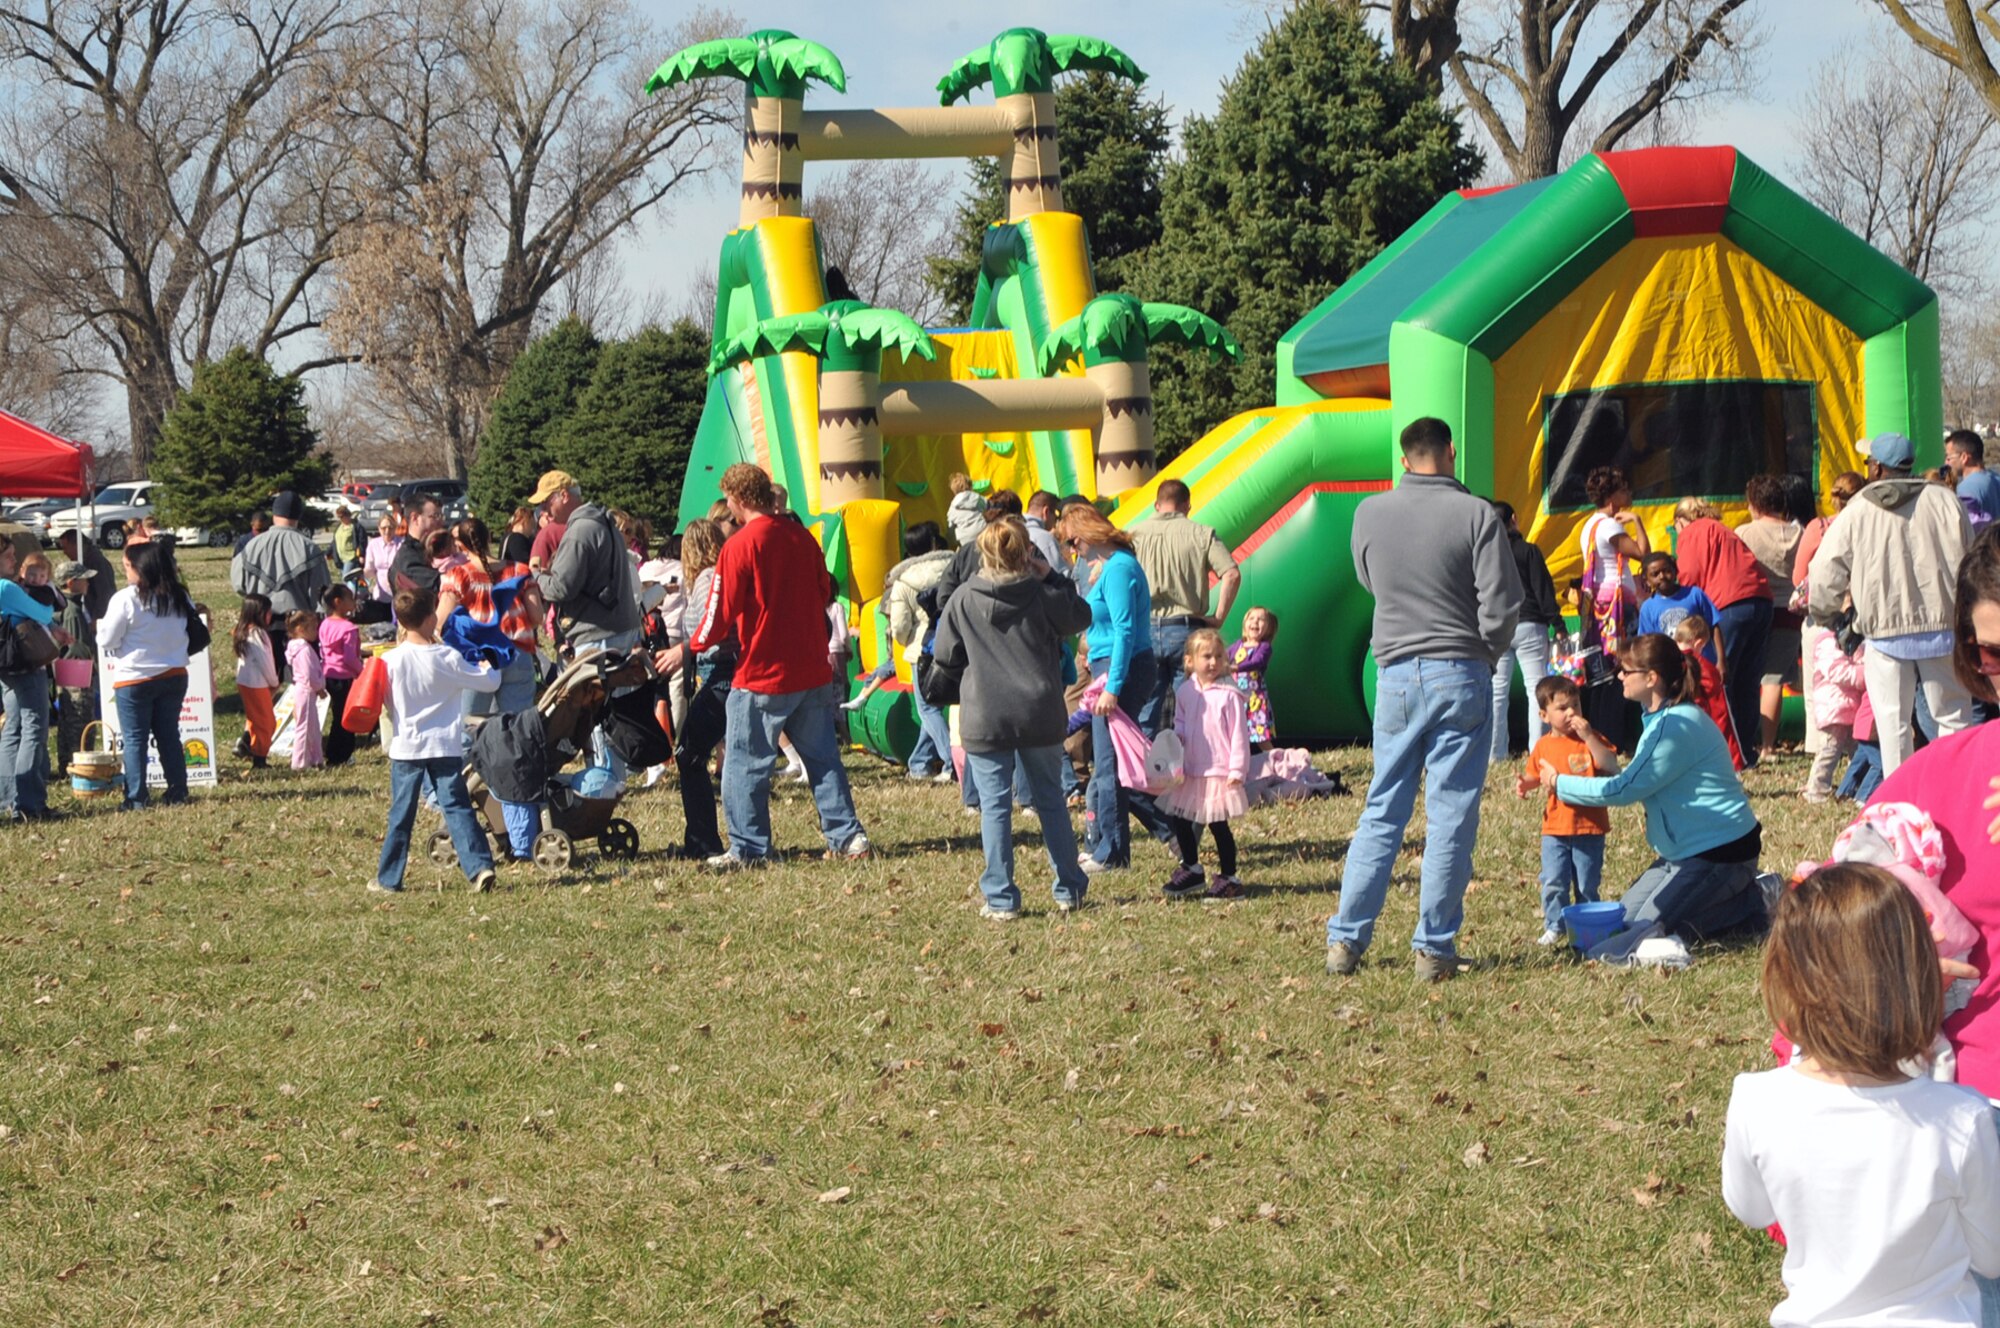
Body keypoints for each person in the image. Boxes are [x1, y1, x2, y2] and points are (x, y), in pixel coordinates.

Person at [1722, 863, 2000, 1328]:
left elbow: (1750, 1209)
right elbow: (1992, 1257)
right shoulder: (1963, 1120)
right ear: (1920, 984)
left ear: (1785, 981)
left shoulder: (1755, 1101)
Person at [1328, 417, 1522, 982]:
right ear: (1451, 452)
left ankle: (1346, 940)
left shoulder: (1369, 513)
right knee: (1451, 813)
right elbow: (1503, 601)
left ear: (1404, 456)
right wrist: (1485, 650)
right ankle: (1434, 948)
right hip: (1460, 668)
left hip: (1393, 673)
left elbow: (1369, 578)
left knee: (1382, 807)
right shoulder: (1477, 514)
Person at [684, 463, 869, 868]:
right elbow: (825, 592)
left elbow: (719, 611)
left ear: (739, 499)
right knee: (823, 760)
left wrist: (691, 645)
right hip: (810, 669)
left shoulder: (740, 545)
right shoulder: (802, 538)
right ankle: (847, 836)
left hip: (762, 674)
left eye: (730, 500)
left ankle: (749, 848)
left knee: (745, 764)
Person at [1546, 633, 1765, 965]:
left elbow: (1622, 789)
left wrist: (1559, 784)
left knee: (1648, 930)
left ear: (1651, 679)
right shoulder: (1660, 720)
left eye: (1625, 670)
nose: (1618, 676)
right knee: (1624, 923)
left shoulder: (1674, 727)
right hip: (1681, 855)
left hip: (1721, 855)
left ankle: (1755, 902)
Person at [931, 518, 1094, 918]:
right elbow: (1081, 617)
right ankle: (1069, 887)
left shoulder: (965, 598)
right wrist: (1051, 576)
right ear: (1026, 552)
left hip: (985, 712)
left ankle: (1002, 897)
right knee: (1050, 800)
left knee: (995, 807)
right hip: (1039, 709)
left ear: (981, 552)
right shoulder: (1041, 594)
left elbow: (946, 655)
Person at [1809, 432, 1974, 775]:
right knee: (1953, 717)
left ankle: (1902, 800)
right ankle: (1957, 786)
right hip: (1943, 627)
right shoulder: (1945, 500)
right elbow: (1971, 561)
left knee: (1892, 723)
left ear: (1877, 468)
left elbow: (1825, 568)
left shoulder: (1858, 509)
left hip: (1884, 633)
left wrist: (1824, 612)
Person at [369, 588, 499, 894]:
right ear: (431, 619)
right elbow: (490, 681)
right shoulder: (448, 657)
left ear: (400, 621)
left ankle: (389, 878)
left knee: (402, 812)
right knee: (457, 807)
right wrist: (486, 665)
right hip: (444, 745)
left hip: (407, 746)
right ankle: (479, 867)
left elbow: (384, 702)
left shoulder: (389, 660)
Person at [1059, 502, 1159, 874]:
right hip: (1107, 665)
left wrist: (1112, 688)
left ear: (1087, 535)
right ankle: (1111, 843)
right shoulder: (1108, 568)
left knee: (1110, 765)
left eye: (1073, 542)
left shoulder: (1119, 569)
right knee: (1107, 764)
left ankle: (1114, 851)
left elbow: (1126, 632)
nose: (1073, 551)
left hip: (1124, 669)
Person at [1130, 478, 1242, 733]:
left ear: (1156, 505)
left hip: (1144, 628)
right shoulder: (1202, 533)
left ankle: (1145, 767)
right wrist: (1219, 617)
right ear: (1187, 506)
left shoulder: (1134, 534)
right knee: (1192, 704)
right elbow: (1231, 574)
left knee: (1147, 708)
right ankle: (1193, 765)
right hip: (1186, 629)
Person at [1514, 676, 1618, 945]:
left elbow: (1609, 763)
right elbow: (1537, 774)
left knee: (1586, 883)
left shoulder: (1591, 739)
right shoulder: (1543, 746)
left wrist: (1589, 736)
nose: (1571, 712)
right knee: (1553, 880)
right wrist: (1527, 784)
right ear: (1544, 715)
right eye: (1562, 708)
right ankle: (1555, 924)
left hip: (1589, 827)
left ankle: (1587, 923)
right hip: (1555, 828)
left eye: (1576, 705)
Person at [1672, 495, 1772, 765]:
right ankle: (1746, 750)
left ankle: (1725, 752)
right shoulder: (1722, 529)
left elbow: (1689, 575)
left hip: (1729, 604)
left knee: (1718, 681)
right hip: (1761, 600)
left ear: (1681, 521)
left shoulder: (1692, 532)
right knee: (1748, 682)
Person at [100, 541, 196, 810]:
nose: (125, 571)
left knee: (134, 739)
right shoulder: (179, 595)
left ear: (140, 569)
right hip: (175, 673)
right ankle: (178, 790)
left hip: (135, 677)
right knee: (169, 735)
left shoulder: (125, 599)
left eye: (127, 566)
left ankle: (136, 797)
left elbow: (107, 639)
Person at [1158, 628, 1252, 901]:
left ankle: (1229, 877)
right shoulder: (1186, 691)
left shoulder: (1230, 694)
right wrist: (1175, 746)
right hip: (1191, 771)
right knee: (1181, 820)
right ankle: (1192, 868)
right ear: (1190, 662)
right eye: (1206, 657)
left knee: (1217, 824)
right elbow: (1181, 724)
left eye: (1218, 656)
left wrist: (1237, 770)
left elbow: (1239, 735)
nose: (1213, 662)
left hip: (1218, 772)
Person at [659, 518, 730, 861]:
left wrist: (683, 651)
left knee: (689, 754)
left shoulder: (705, 581)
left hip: (721, 672)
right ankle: (703, 838)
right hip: (719, 672)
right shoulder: (715, 576)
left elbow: (710, 629)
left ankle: (703, 841)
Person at [864, 522, 954, 779]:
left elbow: (899, 625)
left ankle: (951, 763)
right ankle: (920, 763)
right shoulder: (953, 569)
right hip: (953, 643)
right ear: (935, 543)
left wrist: (905, 642)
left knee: (927, 709)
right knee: (934, 708)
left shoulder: (904, 582)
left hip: (921, 649)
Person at [1791, 471, 1866, 779]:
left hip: (1823, 615)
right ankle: (1857, 749)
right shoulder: (1867, 523)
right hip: (1861, 612)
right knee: (1859, 691)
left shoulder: (1819, 527)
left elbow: (1799, 576)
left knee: (1816, 685)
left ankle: (1820, 746)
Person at [528, 472, 641, 659]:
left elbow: (561, 589)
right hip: (620, 630)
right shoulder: (604, 523)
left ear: (564, 496)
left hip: (598, 637)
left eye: (546, 502)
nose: (543, 510)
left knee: (596, 689)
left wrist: (535, 576)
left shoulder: (579, 532)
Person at [438, 517, 540, 719]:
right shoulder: (520, 571)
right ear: (489, 537)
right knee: (516, 728)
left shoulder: (457, 575)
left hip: (478, 657)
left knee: (472, 727)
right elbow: (536, 617)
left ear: (461, 545)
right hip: (517, 652)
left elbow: (441, 622)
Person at [0, 540, 67, 821]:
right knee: (34, 728)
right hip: (25, 664)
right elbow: (43, 612)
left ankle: (8, 800)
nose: (15, 562)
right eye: (9, 556)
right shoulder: (6, 588)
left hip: (6, 666)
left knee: (12, 729)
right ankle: (30, 804)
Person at [1738, 474, 1805, 754]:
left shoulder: (1745, 533)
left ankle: (1764, 745)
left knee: (1766, 680)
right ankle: (1772, 741)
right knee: (1783, 678)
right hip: (1791, 611)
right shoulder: (1800, 532)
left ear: (1754, 503)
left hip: (1758, 609)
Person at [231, 491, 330, 621]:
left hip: (259, 627)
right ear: (298, 517)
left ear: (273, 514)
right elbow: (321, 595)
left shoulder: (252, 546)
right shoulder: (310, 549)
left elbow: (238, 585)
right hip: (299, 629)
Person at [1671, 616, 1744, 770]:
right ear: (1698, 643)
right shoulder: (1702, 666)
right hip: (1700, 722)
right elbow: (1720, 708)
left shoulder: (1668, 662)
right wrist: (1736, 759)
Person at [51, 558, 98, 780]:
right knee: (81, 722)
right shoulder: (72, 611)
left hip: (65, 672)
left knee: (68, 722)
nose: (88, 582)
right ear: (71, 582)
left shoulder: (62, 606)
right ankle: (80, 768)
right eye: (83, 579)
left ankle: (66, 767)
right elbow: (78, 645)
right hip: (78, 673)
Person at [1803, 631, 1864, 804]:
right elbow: (1837, 671)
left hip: (1850, 706)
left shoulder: (1854, 640)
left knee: (1858, 750)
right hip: (1833, 707)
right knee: (1829, 750)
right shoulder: (1827, 643)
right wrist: (1865, 673)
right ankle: (1816, 788)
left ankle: (1857, 784)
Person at [1633, 552, 1721, 655]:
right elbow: (1647, 642)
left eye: (1666, 571)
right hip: (1672, 667)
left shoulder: (1694, 594)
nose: (1662, 576)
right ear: (1647, 580)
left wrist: (1721, 660)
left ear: (1675, 571)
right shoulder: (1647, 608)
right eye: (1655, 574)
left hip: (1704, 662)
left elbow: (1714, 626)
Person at [318, 585, 363, 767]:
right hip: (344, 677)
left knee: (336, 716)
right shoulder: (349, 628)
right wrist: (362, 672)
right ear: (338, 602)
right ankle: (342, 754)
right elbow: (350, 658)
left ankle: (332, 751)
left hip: (327, 673)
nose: (354, 602)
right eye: (350, 598)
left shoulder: (325, 624)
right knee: (346, 717)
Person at [233, 594, 278, 769]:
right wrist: (273, 681)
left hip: (245, 682)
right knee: (266, 722)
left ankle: (247, 744)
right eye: (268, 612)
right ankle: (260, 757)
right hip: (257, 683)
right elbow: (265, 661)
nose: (270, 616)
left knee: (254, 718)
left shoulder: (243, 631)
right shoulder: (258, 634)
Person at [1229, 606, 1277, 750]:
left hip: (1254, 700)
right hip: (1236, 699)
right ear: (1245, 624)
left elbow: (1257, 662)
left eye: (1261, 619)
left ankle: (1278, 763)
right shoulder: (1237, 645)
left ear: (1268, 628)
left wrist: (1235, 667)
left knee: (1260, 737)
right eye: (1251, 618)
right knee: (1234, 735)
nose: (1255, 622)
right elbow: (1223, 657)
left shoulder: (1264, 647)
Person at [284, 611, 325, 770]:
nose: (316, 632)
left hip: (304, 690)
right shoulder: (304, 650)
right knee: (305, 727)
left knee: (313, 727)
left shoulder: (298, 648)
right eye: (313, 628)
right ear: (301, 629)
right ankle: (299, 762)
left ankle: (316, 758)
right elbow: (309, 674)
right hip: (307, 691)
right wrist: (319, 688)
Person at [53, 530, 116, 622]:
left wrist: (97, 618)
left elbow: (105, 593)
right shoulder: (86, 560)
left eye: (65, 548)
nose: (64, 552)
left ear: (76, 545)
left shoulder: (97, 562)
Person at [1947, 429, 2000, 527]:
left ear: (1964, 457)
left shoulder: (1966, 489)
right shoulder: (1996, 479)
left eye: (1949, 458)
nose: (1946, 463)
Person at [362, 513, 404, 613]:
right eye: (383, 528)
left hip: (398, 591)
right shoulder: (373, 544)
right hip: (380, 592)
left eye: (390, 527)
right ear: (378, 528)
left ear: (395, 528)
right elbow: (369, 569)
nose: (387, 531)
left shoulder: (402, 543)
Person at [1023, 490, 1066, 573]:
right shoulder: (1044, 538)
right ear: (1046, 512)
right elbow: (1060, 574)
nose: (1055, 523)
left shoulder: (1014, 532)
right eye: (1056, 517)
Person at [945, 472, 986, 548]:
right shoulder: (979, 499)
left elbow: (950, 527)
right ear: (970, 485)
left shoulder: (952, 507)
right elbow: (990, 510)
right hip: (984, 535)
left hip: (965, 541)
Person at [332, 507, 361, 577]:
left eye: (342, 516)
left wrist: (361, 554)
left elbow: (361, 541)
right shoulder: (339, 527)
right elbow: (334, 541)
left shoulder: (355, 526)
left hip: (351, 556)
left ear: (347, 515)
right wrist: (328, 553)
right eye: (339, 517)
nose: (341, 519)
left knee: (345, 577)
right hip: (341, 558)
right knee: (349, 578)